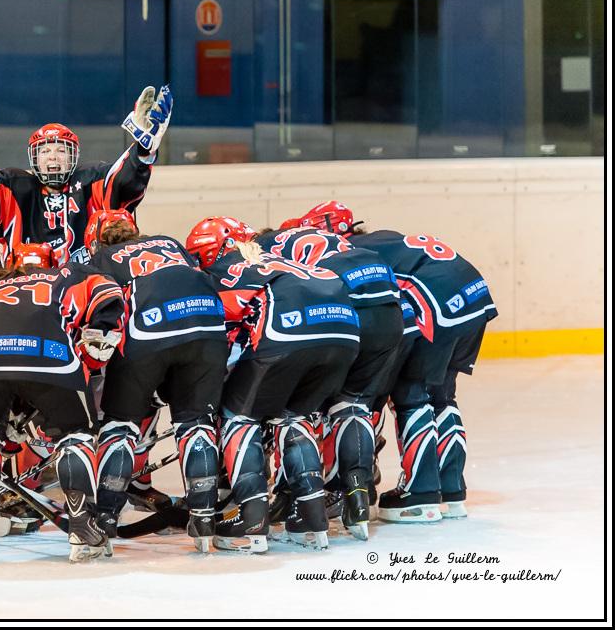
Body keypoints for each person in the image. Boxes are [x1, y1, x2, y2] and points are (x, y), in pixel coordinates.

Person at [298, 201, 497, 522]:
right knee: (442, 397)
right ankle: (451, 489)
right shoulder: (381, 238)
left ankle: (420, 493)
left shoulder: (347, 254)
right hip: (474, 296)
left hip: (437, 304)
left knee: (410, 394)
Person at [187, 217, 360, 551]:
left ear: (216, 249)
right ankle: (311, 517)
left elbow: (219, 335)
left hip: (289, 331)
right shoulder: (281, 259)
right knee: (293, 416)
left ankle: (251, 519)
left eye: (200, 255)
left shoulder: (227, 268)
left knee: (239, 416)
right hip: (344, 333)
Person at [0, 243, 125, 562]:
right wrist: (92, 349)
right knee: (75, 434)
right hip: (49, 358)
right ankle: (81, 525)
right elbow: (109, 295)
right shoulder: (69, 274)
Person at [86, 210, 228, 553]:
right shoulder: (171, 243)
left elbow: (97, 310)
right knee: (196, 423)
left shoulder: (101, 259)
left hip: (149, 330)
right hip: (208, 325)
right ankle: (205, 517)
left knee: (120, 425)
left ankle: (104, 519)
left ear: (96, 240)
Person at [257, 213, 404, 540]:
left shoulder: (265, 244)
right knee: (353, 405)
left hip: (341, 307)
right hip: (389, 307)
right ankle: (358, 498)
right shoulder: (331, 239)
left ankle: (294, 497)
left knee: (294, 408)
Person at [0, 84, 172, 265]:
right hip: (24, 289)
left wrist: (144, 148)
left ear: (73, 156)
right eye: (45, 151)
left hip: (89, 289)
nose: (53, 156)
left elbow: (126, 179)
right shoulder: (17, 188)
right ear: (34, 158)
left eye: (61, 150)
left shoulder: (92, 180)